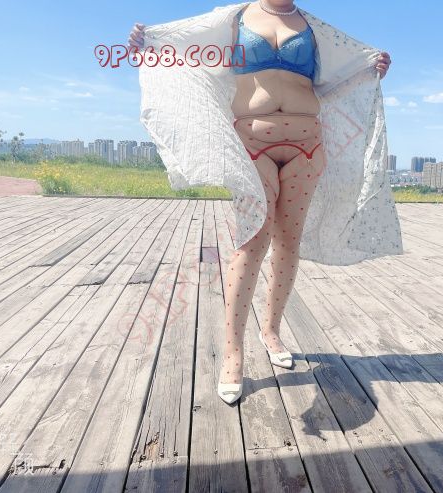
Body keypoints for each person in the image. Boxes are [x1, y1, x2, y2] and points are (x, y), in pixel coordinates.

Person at [129, 0, 401, 405]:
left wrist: (369, 69)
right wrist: (149, 43)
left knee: (288, 242)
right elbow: (190, 53)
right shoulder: (234, 18)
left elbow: (333, 81)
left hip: (307, 146)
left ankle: (271, 331)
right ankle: (233, 353)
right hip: (253, 143)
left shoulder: (314, 28)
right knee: (252, 242)